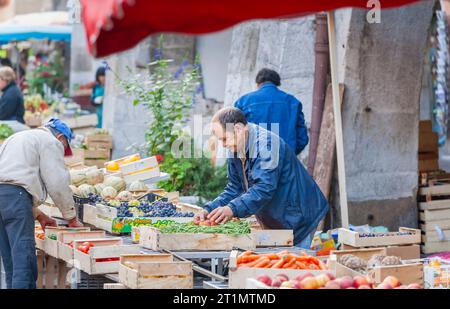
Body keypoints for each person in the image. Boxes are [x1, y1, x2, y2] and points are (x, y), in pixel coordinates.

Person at [195, 107, 328, 247]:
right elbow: (235, 188)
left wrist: (232, 209)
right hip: (277, 217)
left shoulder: (266, 145)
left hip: (298, 216)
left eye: (224, 139)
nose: (223, 145)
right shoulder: (236, 147)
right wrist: (209, 209)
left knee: (293, 264)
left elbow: (264, 188)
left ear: (238, 129)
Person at [0, 118, 84, 289]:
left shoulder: (18, 137)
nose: (62, 152)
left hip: (6, 196)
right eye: (65, 147)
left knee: (11, 262)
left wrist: (40, 215)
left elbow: (10, 181)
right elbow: (57, 182)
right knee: (24, 262)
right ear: (61, 137)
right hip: (15, 197)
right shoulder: (51, 141)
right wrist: (71, 217)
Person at [234, 68, 308, 155]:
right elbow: (302, 139)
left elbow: (233, 136)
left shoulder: (242, 102)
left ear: (257, 84)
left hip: (254, 160)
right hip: (284, 159)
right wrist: (290, 154)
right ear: (277, 84)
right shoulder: (293, 102)